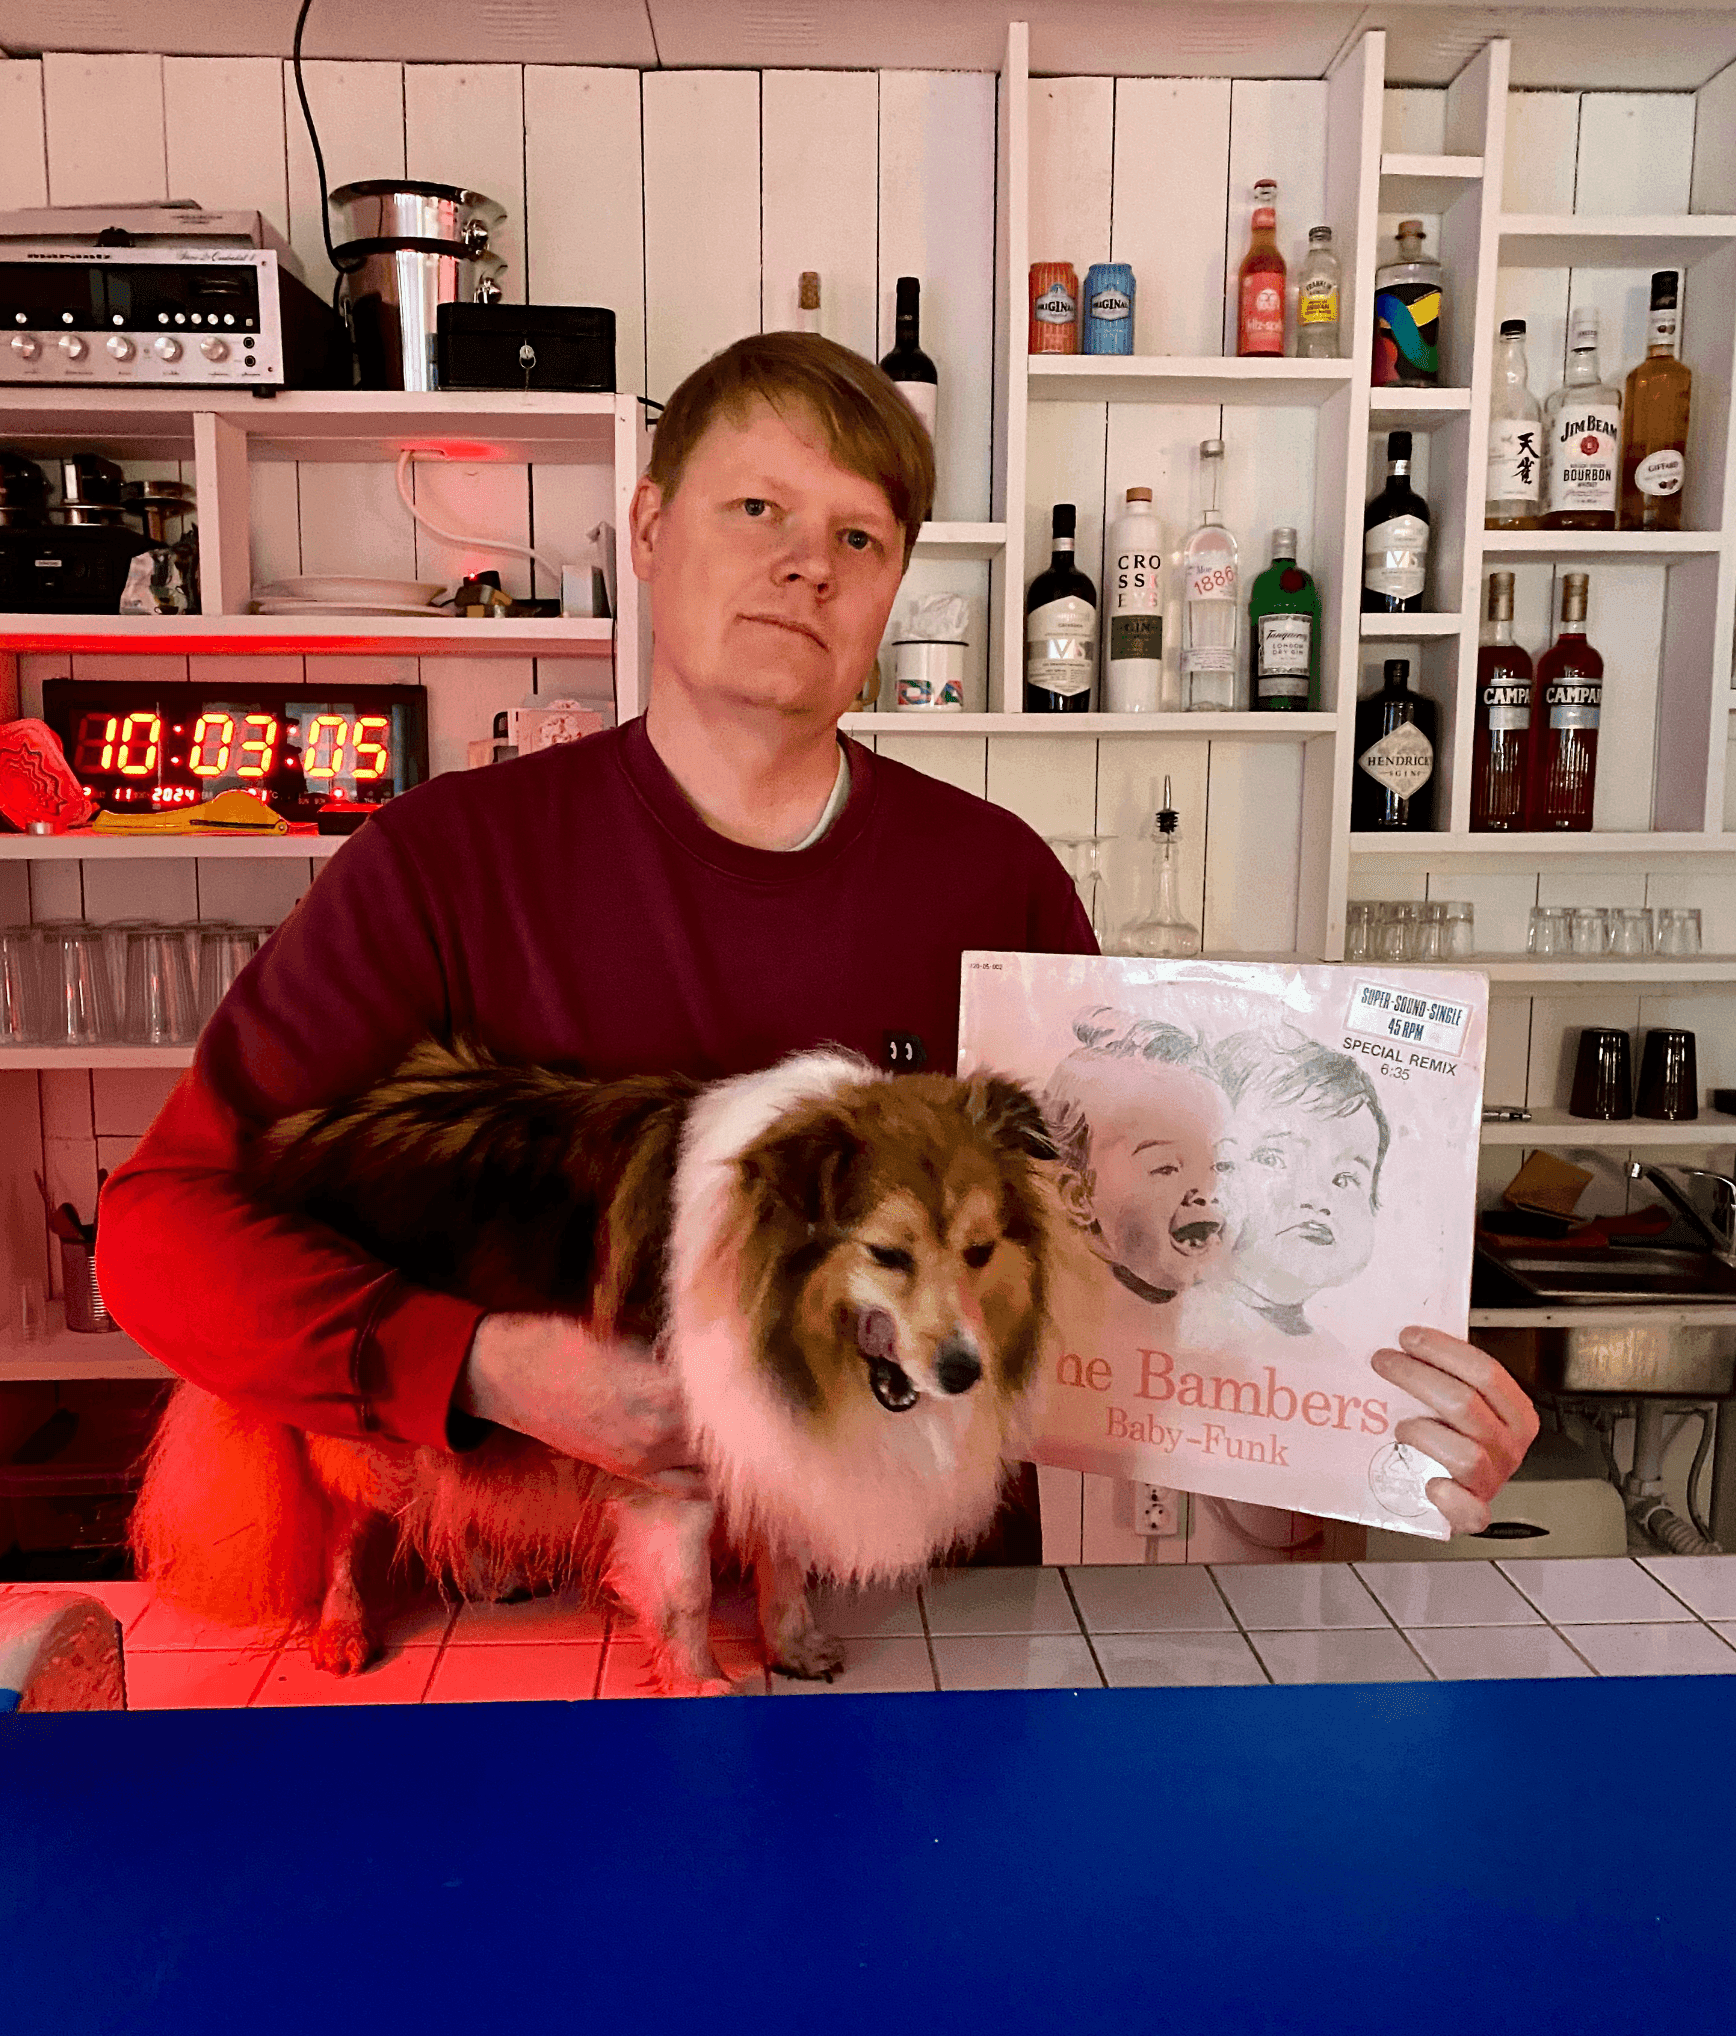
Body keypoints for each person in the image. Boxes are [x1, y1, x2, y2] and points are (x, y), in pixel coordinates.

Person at [97, 329, 1536, 1545]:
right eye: (757, 511)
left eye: (859, 537)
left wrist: (1353, 1448)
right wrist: (485, 1366)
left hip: (921, 1630)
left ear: (892, 590)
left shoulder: (997, 885)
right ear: (648, 530)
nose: (808, 567)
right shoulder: (441, 862)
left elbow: (1118, 1328)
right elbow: (160, 1236)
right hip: (536, 1615)